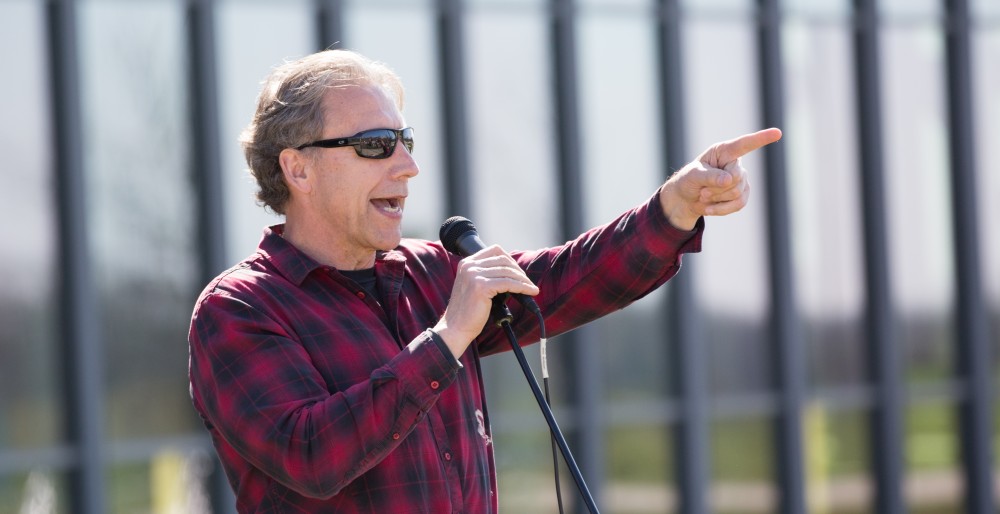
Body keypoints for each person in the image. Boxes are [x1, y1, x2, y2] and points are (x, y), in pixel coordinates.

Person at [187, 48, 781, 513]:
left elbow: (568, 279)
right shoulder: (238, 310)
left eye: (405, 141)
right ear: (298, 168)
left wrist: (674, 207)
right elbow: (312, 456)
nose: (408, 165)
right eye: (375, 146)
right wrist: (447, 337)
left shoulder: (430, 272)